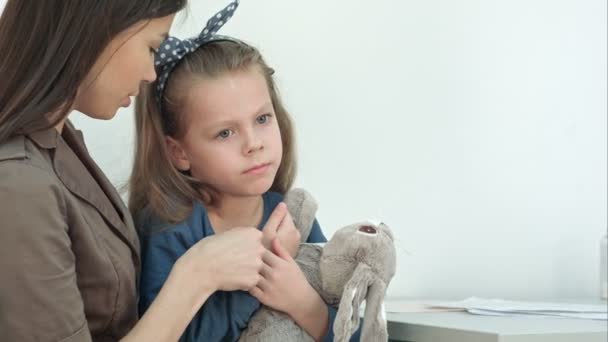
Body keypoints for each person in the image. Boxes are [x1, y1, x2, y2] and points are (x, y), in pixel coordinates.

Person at [0, 1, 271, 341]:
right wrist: (198, 274)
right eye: (152, 47)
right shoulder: (19, 185)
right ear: (96, 32)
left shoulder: (56, 144)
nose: (151, 74)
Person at [130, 2, 361, 342]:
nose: (254, 144)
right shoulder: (170, 228)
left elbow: (355, 334)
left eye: (262, 119)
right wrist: (263, 270)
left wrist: (303, 302)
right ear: (179, 152)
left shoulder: (293, 216)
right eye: (225, 133)